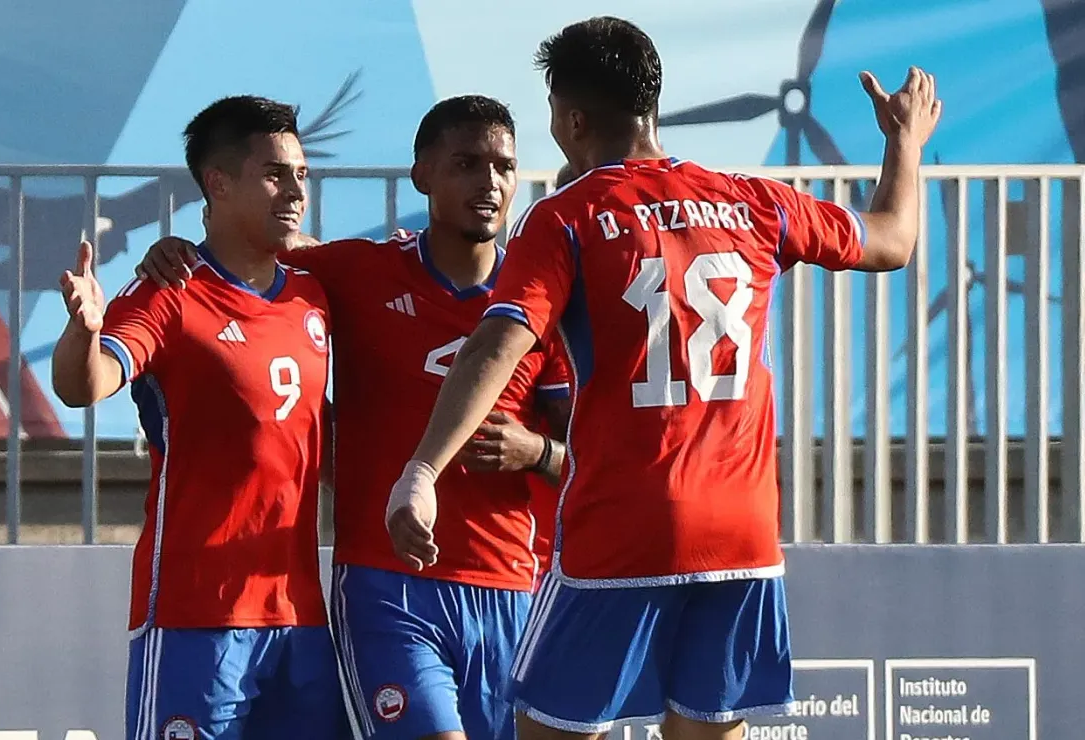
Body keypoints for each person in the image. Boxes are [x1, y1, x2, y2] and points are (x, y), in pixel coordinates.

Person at [387, 16, 942, 740]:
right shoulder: (755, 201)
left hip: (625, 527)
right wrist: (903, 141)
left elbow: (499, 340)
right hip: (742, 535)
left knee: (550, 728)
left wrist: (424, 468)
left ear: (572, 116)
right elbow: (892, 239)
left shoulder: (568, 217)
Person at [136, 95, 571, 740]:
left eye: (504, 166)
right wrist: (176, 251)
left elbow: (591, 460)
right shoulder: (359, 271)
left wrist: (535, 451)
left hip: (512, 584)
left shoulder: (542, 305)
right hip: (387, 585)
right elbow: (250, 256)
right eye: (466, 164)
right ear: (422, 173)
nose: (489, 183)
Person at [51, 96, 350, 740]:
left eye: (301, 173)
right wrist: (82, 330)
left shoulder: (312, 292)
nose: (295, 189)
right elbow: (86, 384)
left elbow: (317, 443)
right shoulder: (170, 290)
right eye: (275, 174)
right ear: (217, 182)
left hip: (299, 614)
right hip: (195, 613)